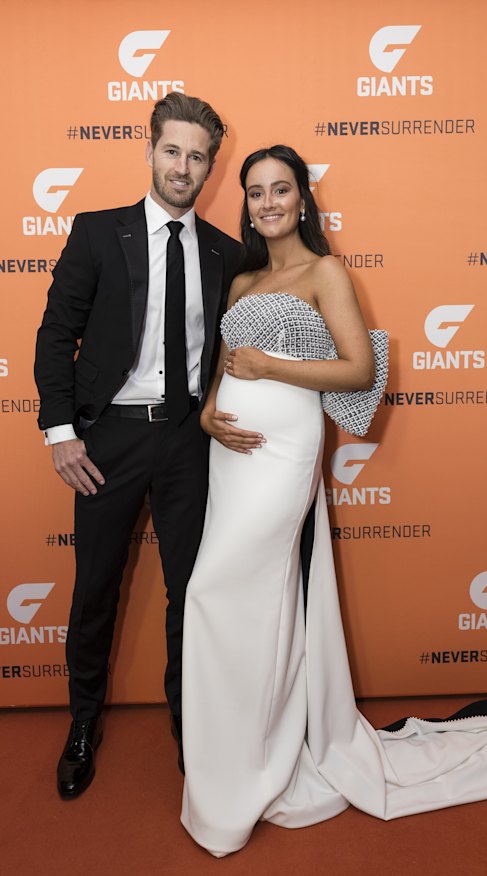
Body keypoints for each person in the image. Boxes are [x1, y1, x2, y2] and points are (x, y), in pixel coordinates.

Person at [179, 145, 487, 857]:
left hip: (285, 456)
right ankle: (240, 760)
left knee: (229, 591)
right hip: (229, 456)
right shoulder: (241, 280)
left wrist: (272, 366)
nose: (267, 202)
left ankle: (259, 761)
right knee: (227, 600)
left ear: (303, 199)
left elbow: (359, 366)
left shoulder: (326, 272)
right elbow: (222, 363)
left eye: (280, 189)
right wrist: (211, 411)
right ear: (244, 203)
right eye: (255, 192)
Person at [33, 92, 245, 800]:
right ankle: (84, 726)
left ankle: (193, 725)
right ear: (149, 149)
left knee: (192, 594)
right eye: (173, 150)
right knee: (94, 591)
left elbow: (233, 352)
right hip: (110, 439)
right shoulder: (97, 233)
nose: (184, 166)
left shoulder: (225, 252)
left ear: (212, 167)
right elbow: (55, 335)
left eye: (198, 156)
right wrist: (61, 433)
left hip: (189, 441)